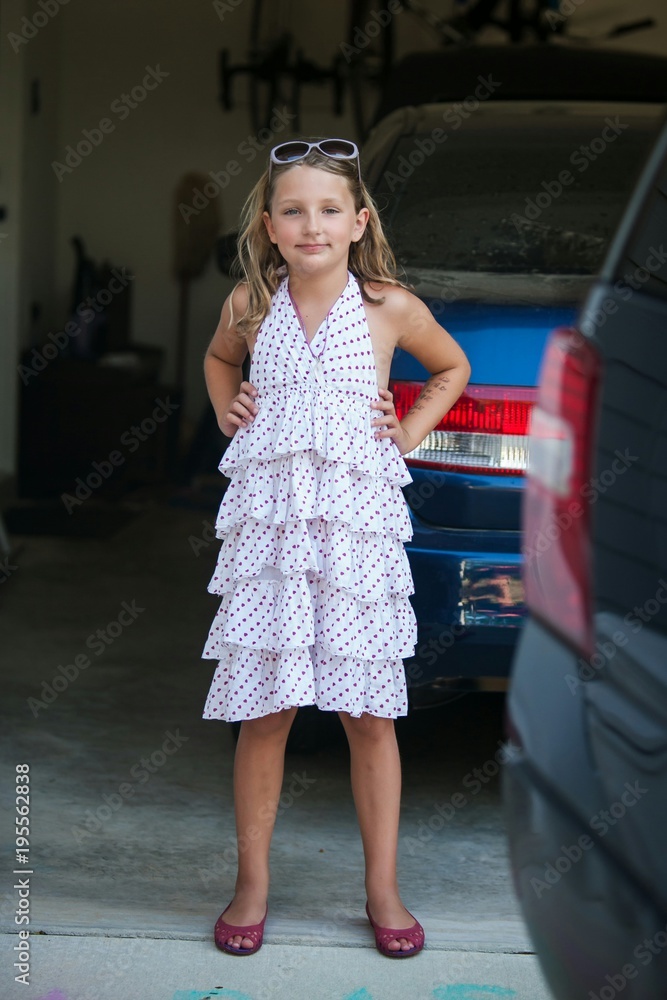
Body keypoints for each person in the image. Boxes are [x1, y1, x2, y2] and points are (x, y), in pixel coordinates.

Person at [201, 138, 471, 958]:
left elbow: (450, 368)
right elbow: (219, 361)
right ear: (270, 226)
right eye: (292, 210)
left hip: (355, 536)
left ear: (358, 221)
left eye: (328, 209)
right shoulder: (248, 304)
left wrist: (407, 431)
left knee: (367, 716)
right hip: (272, 533)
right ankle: (251, 884)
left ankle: (381, 891)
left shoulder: (389, 305)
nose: (310, 224)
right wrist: (224, 408)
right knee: (266, 711)